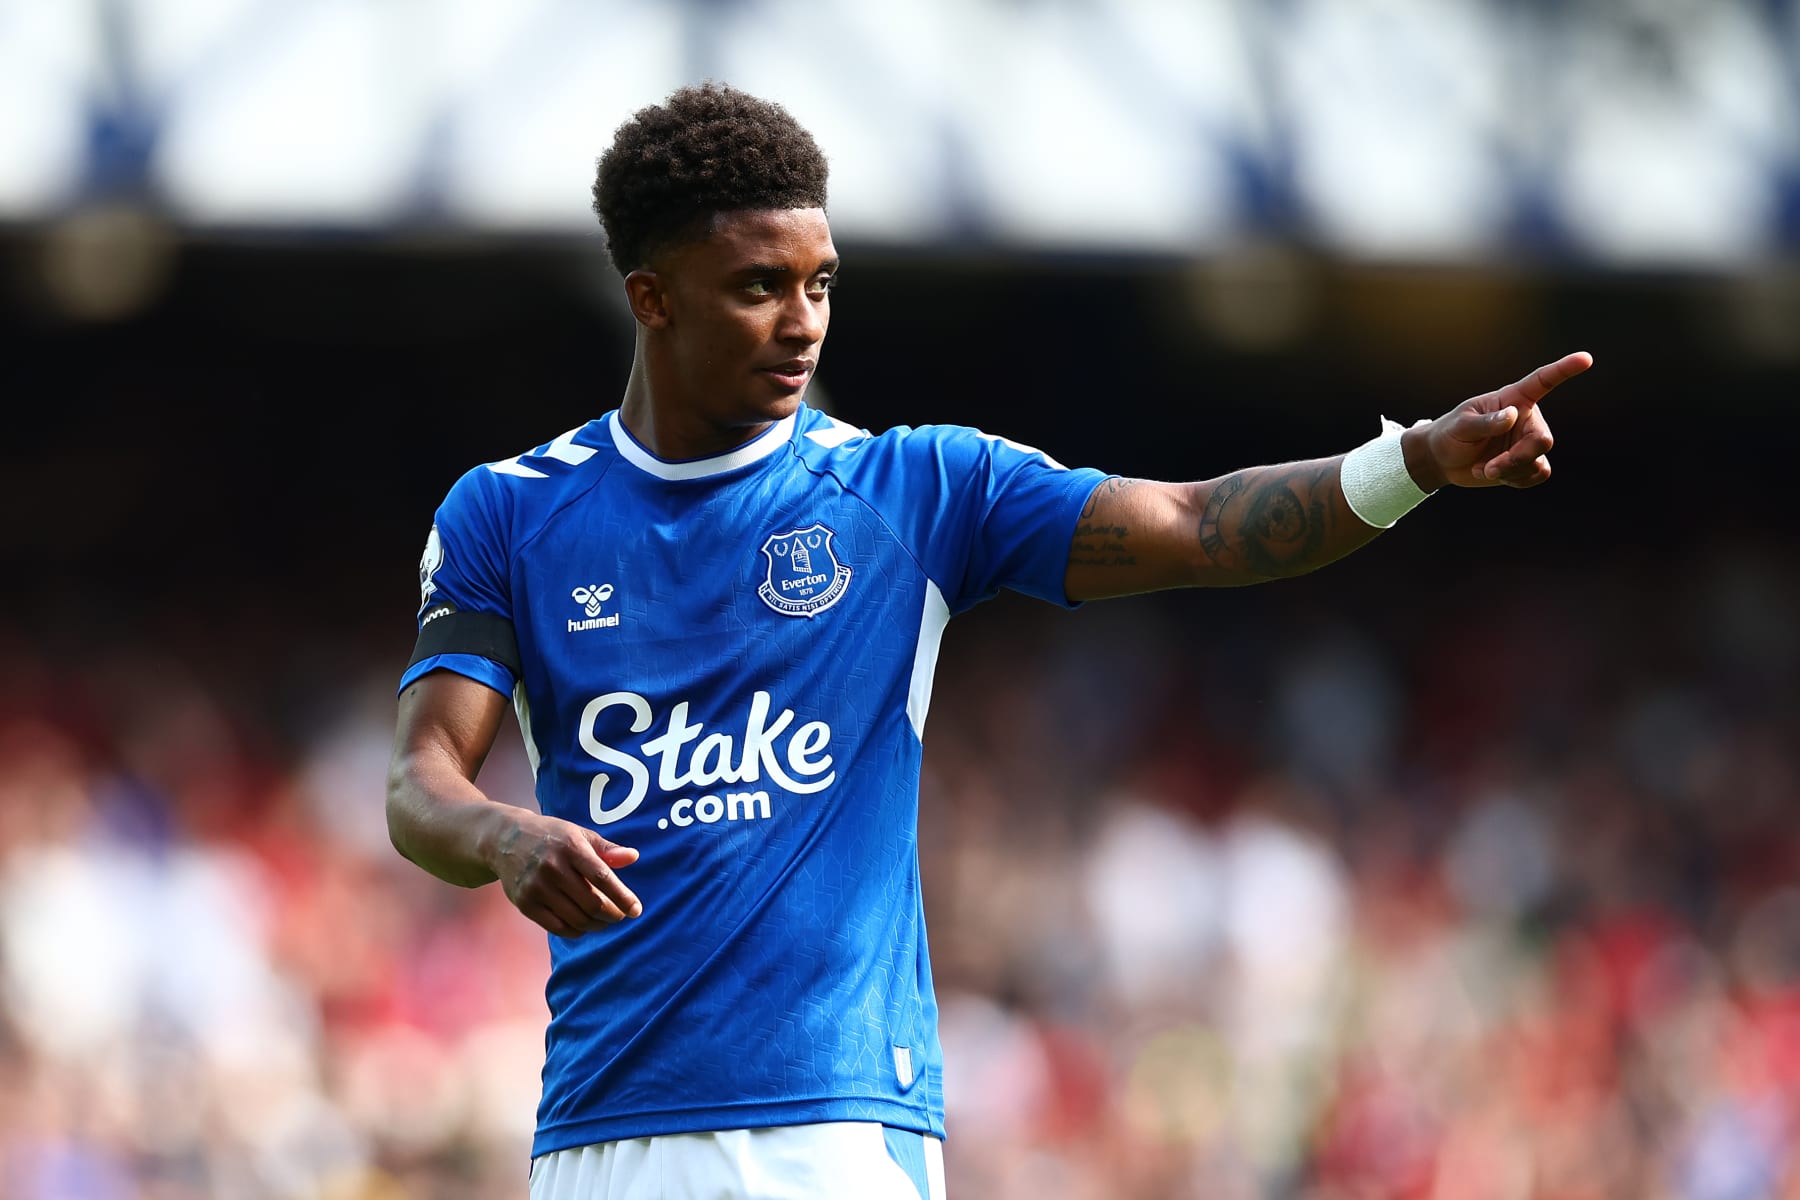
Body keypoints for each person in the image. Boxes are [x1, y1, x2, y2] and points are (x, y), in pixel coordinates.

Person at [385, 82, 1591, 1200]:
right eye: (759, 287)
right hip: (603, 1129)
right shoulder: (511, 515)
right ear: (651, 297)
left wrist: (1410, 462)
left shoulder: (913, 490)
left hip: (835, 1132)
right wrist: (503, 836)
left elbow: (1196, 523)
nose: (804, 324)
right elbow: (419, 784)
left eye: (821, 283)